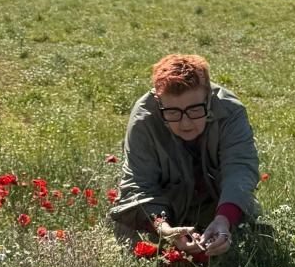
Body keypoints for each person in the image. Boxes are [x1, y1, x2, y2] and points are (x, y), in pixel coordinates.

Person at [108, 53, 260, 256]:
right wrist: (163, 228)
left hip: (216, 205)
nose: (185, 123)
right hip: (162, 208)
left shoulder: (230, 111)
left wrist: (224, 219)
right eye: (172, 112)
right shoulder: (144, 120)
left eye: (195, 109)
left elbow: (240, 170)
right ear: (158, 101)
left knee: (254, 242)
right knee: (129, 236)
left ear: (209, 96)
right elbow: (138, 184)